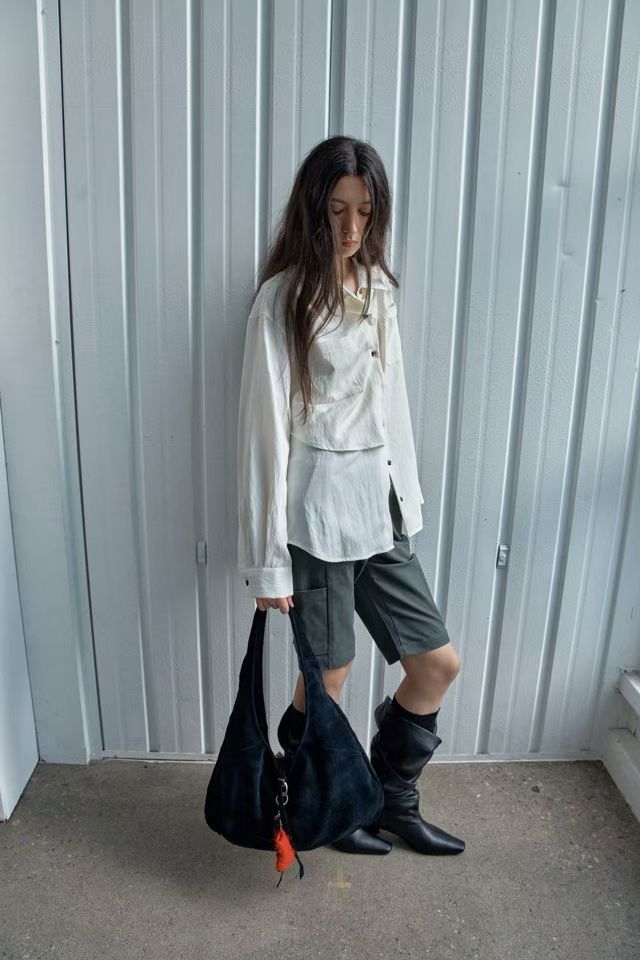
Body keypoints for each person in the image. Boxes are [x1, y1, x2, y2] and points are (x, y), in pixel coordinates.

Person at [237, 135, 464, 857]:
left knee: (437, 663)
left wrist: (409, 500)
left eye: (365, 211)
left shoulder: (379, 291)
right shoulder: (282, 301)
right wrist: (268, 563)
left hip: (380, 508)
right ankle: (327, 805)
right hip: (318, 516)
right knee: (329, 674)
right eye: (337, 209)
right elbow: (264, 436)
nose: (351, 227)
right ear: (313, 209)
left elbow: (391, 407)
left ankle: (391, 800)